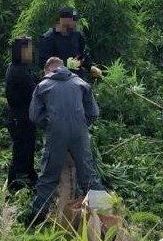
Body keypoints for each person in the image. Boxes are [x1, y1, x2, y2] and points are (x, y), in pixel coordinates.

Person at [25, 57, 104, 226]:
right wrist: (81, 126)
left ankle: (35, 217)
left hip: (56, 132)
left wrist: (49, 126)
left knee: (48, 175)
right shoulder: (81, 83)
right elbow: (93, 113)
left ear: (48, 70)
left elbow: (34, 116)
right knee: (88, 173)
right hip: (80, 132)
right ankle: (105, 214)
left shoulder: (43, 86)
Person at [5, 36, 39, 192]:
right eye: (29, 49)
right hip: (20, 118)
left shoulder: (20, 68)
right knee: (21, 151)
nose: (31, 52)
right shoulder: (19, 71)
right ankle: (14, 185)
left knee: (27, 149)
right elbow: (34, 91)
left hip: (23, 117)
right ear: (21, 51)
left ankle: (30, 178)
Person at [36, 7, 102, 83]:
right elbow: (43, 62)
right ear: (62, 20)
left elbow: (83, 54)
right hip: (56, 81)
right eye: (72, 19)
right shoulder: (49, 38)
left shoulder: (77, 34)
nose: (74, 22)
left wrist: (91, 66)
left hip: (77, 78)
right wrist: (66, 64)